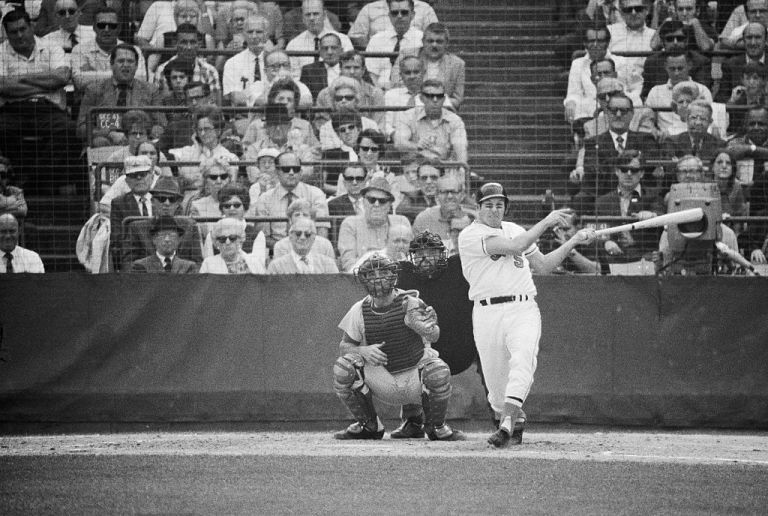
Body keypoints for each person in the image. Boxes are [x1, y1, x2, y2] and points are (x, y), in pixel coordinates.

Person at [458, 182, 596, 446]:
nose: (494, 210)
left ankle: (507, 424)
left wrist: (574, 242)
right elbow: (512, 247)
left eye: (499, 205)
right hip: (487, 311)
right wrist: (546, 222)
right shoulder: (470, 235)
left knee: (523, 360)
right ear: (477, 208)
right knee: (496, 390)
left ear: (505, 208)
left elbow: (543, 265)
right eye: (488, 205)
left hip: (523, 307)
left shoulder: (515, 229)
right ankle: (514, 417)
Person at [332, 252, 465, 441]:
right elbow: (344, 346)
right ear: (363, 280)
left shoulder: (411, 302)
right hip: (382, 380)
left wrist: (426, 328)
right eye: (371, 275)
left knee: (437, 370)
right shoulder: (359, 309)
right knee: (344, 368)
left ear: (393, 276)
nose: (377, 279)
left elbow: (434, 336)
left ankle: (436, 426)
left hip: (415, 379)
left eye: (383, 273)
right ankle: (369, 425)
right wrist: (363, 350)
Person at [0, 9, 85, 195]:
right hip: (13, 109)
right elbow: (3, 86)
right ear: (6, 33)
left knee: (70, 130)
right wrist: (44, 84)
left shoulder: (51, 47)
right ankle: (29, 178)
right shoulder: (0, 52)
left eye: (23, 29)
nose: (20, 35)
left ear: (31, 26)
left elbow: (62, 77)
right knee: (2, 129)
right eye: (13, 32)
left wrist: (20, 79)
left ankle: (33, 180)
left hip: (48, 108)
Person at [76, 43, 165, 145]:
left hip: (141, 142)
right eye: (121, 61)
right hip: (106, 143)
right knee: (99, 142)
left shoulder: (151, 90)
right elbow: (81, 129)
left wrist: (145, 134)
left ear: (136, 66)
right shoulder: (94, 90)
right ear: (112, 64)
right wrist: (109, 133)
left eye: (130, 61)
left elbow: (161, 124)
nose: (126, 65)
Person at [594, 150, 665, 266]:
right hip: (611, 260)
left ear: (641, 173)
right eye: (623, 169)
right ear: (617, 171)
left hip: (645, 260)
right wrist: (605, 242)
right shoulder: (602, 202)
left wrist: (652, 215)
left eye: (634, 170)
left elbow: (661, 216)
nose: (629, 173)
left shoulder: (654, 196)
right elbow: (595, 232)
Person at [121, 176, 204, 269]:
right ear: (152, 201)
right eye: (161, 198)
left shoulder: (189, 226)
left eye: (172, 199)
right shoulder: (137, 228)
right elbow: (128, 265)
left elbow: (197, 263)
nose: (167, 203)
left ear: (178, 203)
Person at [254, 151, 330, 249]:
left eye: (296, 169)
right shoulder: (265, 199)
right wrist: (287, 248)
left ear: (301, 172)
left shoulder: (316, 194)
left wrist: (302, 248)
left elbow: (322, 233)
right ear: (277, 172)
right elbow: (263, 237)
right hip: (277, 251)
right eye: (286, 169)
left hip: (310, 250)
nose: (291, 173)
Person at [338, 176, 411, 271]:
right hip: (360, 279)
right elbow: (349, 265)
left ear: (389, 205)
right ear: (363, 202)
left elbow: (409, 257)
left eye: (382, 201)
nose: (376, 204)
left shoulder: (401, 222)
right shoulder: (350, 224)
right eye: (371, 200)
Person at [70, 5, 147, 91]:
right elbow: (79, 81)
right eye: (101, 25)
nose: (106, 29)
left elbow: (141, 78)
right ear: (94, 27)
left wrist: (92, 74)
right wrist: (124, 74)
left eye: (112, 25)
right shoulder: (80, 50)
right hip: (91, 102)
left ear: (119, 28)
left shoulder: (134, 50)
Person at [393, 78, 468, 168]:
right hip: (415, 168)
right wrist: (416, 146)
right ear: (421, 98)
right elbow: (399, 143)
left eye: (439, 96)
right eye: (430, 96)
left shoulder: (455, 120)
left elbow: (460, 149)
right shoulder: (407, 116)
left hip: (443, 169)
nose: (435, 100)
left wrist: (462, 171)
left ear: (444, 99)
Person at [390, 22, 465, 109]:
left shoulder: (457, 64)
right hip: (408, 107)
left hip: (441, 110)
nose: (434, 45)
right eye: (430, 41)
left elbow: (457, 99)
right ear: (423, 41)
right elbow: (396, 83)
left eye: (439, 41)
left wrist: (434, 102)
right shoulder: (406, 55)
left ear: (447, 43)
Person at [285, 0, 354, 80]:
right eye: (308, 15)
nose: (312, 18)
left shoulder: (343, 40)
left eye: (316, 14)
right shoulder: (293, 45)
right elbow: (294, 78)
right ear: (302, 18)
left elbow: (350, 71)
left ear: (324, 15)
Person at [152, 23, 221, 101]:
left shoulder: (210, 71)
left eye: (192, 42)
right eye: (184, 42)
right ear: (175, 44)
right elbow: (158, 105)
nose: (189, 47)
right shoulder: (162, 70)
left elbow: (215, 105)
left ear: (198, 44)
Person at [364, 0, 423, 90]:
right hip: (379, 90)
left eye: (404, 12)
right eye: (395, 13)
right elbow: (371, 73)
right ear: (389, 16)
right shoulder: (377, 39)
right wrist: (378, 92)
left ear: (413, 15)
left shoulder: (421, 39)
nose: (399, 16)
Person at [109, 155, 154, 271]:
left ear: (152, 177)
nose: (139, 178)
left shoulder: (164, 199)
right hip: (133, 259)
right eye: (133, 175)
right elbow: (117, 240)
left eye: (143, 174)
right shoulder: (118, 204)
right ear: (126, 181)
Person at [412, 175, 472, 254]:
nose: (450, 196)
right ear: (436, 196)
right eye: (444, 192)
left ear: (462, 195)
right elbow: (416, 253)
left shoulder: (473, 219)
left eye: (454, 192)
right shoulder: (423, 219)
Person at [222, 14, 270, 106]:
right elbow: (236, 98)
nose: (254, 36)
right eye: (250, 32)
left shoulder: (275, 61)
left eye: (259, 32)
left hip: (273, 115)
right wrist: (259, 101)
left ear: (266, 35)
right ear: (244, 34)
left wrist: (247, 94)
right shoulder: (232, 63)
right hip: (244, 116)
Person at [347, 0, 437, 49]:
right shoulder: (369, 8)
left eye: (405, 12)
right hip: (378, 58)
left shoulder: (425, 8)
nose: (400, 16)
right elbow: (356, 35)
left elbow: (435, 35)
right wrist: (376, 50)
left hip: (415, 58)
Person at [129, 215, 200, 274]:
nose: (167, 239)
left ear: (178, 240)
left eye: (172, 235)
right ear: (154, 239)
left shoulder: (189, 267)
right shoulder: (141, 266)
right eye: (162, 235)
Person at [718, 21, 768, 102]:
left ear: (766, 40)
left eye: (758, 37)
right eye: (749, 37)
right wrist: (732, 100)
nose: (753, 42)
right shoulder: (730, 65)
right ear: (743, 40)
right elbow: (721, 99)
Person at [267, 218, 339, 273]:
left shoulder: (328, 264)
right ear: (290, 236)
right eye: (298, 233)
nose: (302, 237)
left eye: (307, 234)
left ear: (314, 238)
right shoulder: (276, 267)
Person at [199, 217, 266, 274]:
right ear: (217, 242)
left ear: (240, 239)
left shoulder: (254, 261)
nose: (227, 242)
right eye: (222, 239)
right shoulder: (208, 263)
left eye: (232, 238)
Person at [299, 32, 343, 101]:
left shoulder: (351, 68)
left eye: (334, 48)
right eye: (325, 48)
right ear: (320, 52)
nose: (329, 52)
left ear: (341, 51)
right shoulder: (309, 70)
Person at [710, 151, 747, 217]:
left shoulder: (737, 186)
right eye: (719, 162)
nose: (724, 166)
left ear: (733, 168)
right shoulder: (704, 186)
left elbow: (739, 218)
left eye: (728, 163)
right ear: (712, 167)